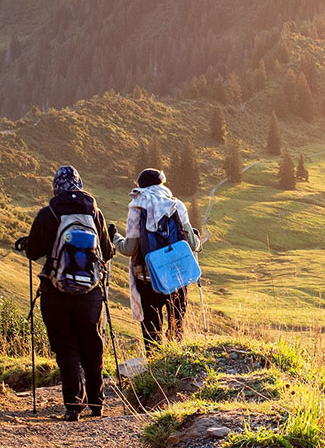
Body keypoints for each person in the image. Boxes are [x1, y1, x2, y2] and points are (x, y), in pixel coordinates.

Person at [22, 166, 114, 421]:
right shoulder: (95, 213)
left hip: (55, 291)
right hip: (90, 293)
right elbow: (107, 252)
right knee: (92, 345)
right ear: (79, 185)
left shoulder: (48, 213)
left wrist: (27, 242)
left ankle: (74, 405)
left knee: (66, 347)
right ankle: (97, 402)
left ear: (56, 187)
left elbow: (33, 252)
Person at [110, 168, 201, 354]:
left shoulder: (136, 208)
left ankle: (155, 365)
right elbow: (192, 244)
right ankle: (177, 364)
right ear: (161, 184)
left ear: (141, 187)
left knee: (152, 333)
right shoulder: (176, 205)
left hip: (148, 279)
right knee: (177, 328)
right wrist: (197, 238)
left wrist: (115, 237)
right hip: (177, 278)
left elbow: (129, 249)